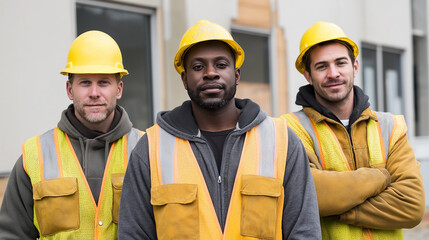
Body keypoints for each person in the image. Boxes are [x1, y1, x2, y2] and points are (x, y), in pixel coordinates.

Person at [118, 19, 321, 239]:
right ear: (185, 79)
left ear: (236, 75)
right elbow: (134, 234)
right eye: (198, 67)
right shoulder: (151, 148)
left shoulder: (282, 141)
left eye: (221, 65)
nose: (210, 73)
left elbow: (304, 231)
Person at [280, 21, 425, 239]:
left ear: (355, 66)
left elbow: (412, 206)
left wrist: (335, 208)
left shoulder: (390, 127)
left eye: (340, 63)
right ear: (308, 75)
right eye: (321, 66)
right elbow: (309, 194)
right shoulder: (290, 129)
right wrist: (379, 177)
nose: (333, 73)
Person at [0, 30, 143, 239]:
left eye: (103, 82)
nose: (94, 93)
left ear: (119, 89)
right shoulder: (35, 156)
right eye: (85, 82)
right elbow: (11, 235)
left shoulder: (144, 150)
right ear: (69, 89)